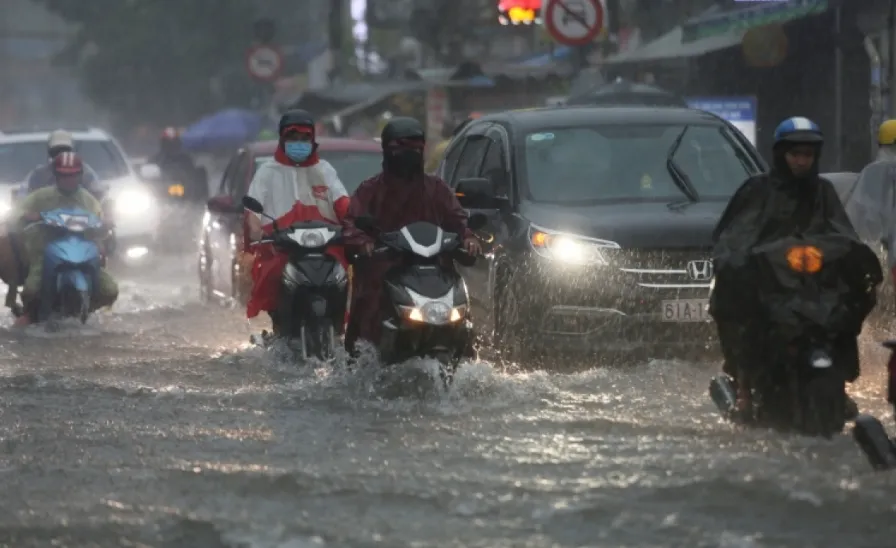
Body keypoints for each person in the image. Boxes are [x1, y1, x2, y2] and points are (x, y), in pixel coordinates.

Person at [710, 116, 867, 415]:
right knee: (744, 312)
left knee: (844, 311)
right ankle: (743, 389)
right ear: (782, 154)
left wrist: (847, 257)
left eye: (807, 155)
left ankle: (841, 385)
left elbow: (843, 235)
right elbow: (734, 237)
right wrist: (745, 259)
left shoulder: (823, 192)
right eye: (795, 154)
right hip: (767, 285)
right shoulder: (757, 190)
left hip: (815, 287)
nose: (801, 161)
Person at [342, 117, 482, 353]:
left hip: (434, 269)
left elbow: (457, 220)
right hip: (384, 270)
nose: (410, 153)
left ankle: (464, 353)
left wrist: (468, 237)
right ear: (387, 150)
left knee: (464, 320)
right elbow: (350, 224)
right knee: (367, 319)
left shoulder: (437, 189)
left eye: (416, 148)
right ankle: (364, 361)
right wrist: (363, 242)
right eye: (402, 147)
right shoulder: (370, 190)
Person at [244, 109, 351, 331]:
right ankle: (281, 324)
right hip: (282, 248)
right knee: (272, 277)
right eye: (293, 138)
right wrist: (257, 231)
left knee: (348, 278)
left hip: (325, 248)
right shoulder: (267, 172)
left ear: (312, 140)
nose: (299, 143)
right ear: (283, 140)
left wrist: (355, 225)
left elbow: (343, 204)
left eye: (305, 139)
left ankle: (341, 328)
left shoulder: (324, 170)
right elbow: (252, 212)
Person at [12, 152, 118, 326]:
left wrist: (106, 224)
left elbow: (101, 225)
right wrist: (29, 216)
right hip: (45, 251)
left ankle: (88, 311)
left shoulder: (88, 200)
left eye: (73, 175)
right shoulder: (40, 197)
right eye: (64, 175)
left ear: (80, 175)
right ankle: (33, 314)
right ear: (56, 175)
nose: (69, 179)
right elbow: (17, 215)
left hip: (83, 249)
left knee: (109, 290)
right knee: (32, 289)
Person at [23, 130, 104, 198]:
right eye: (56, 151)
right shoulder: (38, 175)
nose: (60, 154)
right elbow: (24, 198)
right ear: (50, 153)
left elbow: (98, 195)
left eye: (65, 150)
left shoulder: (85, 172)